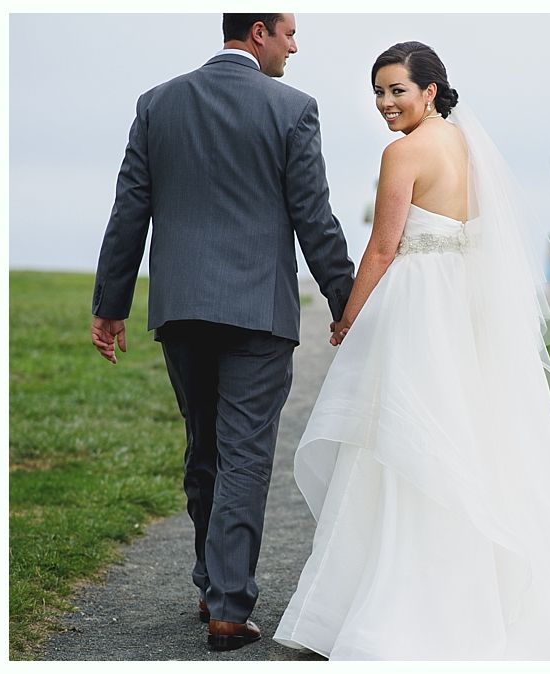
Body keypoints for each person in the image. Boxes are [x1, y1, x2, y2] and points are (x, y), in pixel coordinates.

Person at [273, 41, 550, 660]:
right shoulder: (467, 146)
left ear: (430, 91)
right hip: (462, 306)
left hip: (416, 308)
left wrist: (348, 316)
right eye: (378, 92)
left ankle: (400, 605)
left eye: (397, 90)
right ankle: (479, 597)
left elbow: (381, 248)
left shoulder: (402, 153)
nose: (385, 104)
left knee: (403, 441)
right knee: (468, 438)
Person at [89, 13, 354, 652]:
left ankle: (213, 584)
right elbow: (312, 216)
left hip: (179, 309)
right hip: (258, 312)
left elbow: (130, 209)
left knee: (203, 443)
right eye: (288, 31)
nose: (296, 43)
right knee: (244, 452)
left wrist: (110, 304)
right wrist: (347, 300)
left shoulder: (157, 104)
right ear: (258, 31)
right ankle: (228, 608)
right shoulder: (293, 109)